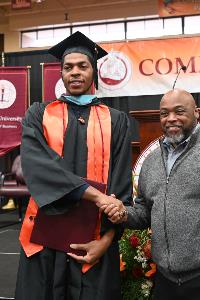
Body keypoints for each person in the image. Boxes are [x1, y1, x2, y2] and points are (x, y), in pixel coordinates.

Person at [15, 31, 132, 300]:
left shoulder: (116, 121)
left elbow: (121, 187)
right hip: (43, 242)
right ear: (61, 73)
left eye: (83, 66)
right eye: (68, 67)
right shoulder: (38, 114)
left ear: (94, 71)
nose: (75, 73)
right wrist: (96, 196)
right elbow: (40, 168)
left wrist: (106, 241)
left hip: (94, 244)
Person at [103, 88, 200, 300]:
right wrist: (122, 214)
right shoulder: (152, 161)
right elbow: (145, 213)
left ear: (196, 112)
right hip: (166, 282)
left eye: (179, 111)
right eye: (164, 113)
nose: (171, 119)